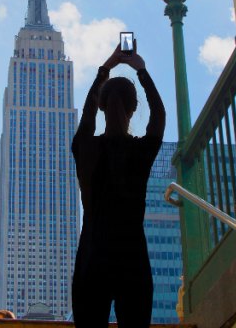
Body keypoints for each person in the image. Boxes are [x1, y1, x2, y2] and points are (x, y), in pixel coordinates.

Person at [71, 42, 166, 328]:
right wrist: (141, 70)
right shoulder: (140, 152)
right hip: (132, 258)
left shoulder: (85, 148)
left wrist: (106, 68)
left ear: (101, 108)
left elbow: (86, 116)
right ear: (134, 107)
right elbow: (159, 117)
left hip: (91, 257)